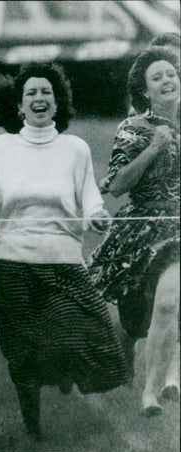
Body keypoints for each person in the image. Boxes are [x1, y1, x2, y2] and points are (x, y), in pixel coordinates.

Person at [0, 62, 129, 439]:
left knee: (88, 337)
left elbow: (90, 197)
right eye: (31, 93)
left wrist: (97, 216)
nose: (39, 98)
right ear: (19, 105)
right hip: (14, 262)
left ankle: (62, 370)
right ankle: (32, 426)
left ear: (57, 102)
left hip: (63, 260)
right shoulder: (0, 148)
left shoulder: (75, 148)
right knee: (23, 352)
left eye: (46, 92)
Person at [88, 46, 180, 416]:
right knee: (134, 322)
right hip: (142, 231)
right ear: (145, 91)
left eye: (171, 74)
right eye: (157, 77)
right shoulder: (133, 129)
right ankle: (124, 363)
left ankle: (151, 394)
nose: (167, 80)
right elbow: (117, 185)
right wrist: (154, 147)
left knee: (169, 304)